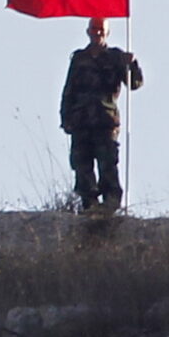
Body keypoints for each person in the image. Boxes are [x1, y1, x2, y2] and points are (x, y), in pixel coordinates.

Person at [60, 18, 143, 213]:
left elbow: (134, 84)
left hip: (105, 121)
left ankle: (110, 203)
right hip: (81, 121)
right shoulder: (80, 58)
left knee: (107, 163)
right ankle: (89, 204)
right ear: (87, 31)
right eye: (94, 29)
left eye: (101, 30)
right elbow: (69, 90)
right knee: (81, 164)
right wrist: (65, 117)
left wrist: (133, 65)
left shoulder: (115, 57)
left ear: (107, 33)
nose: (97, 33)